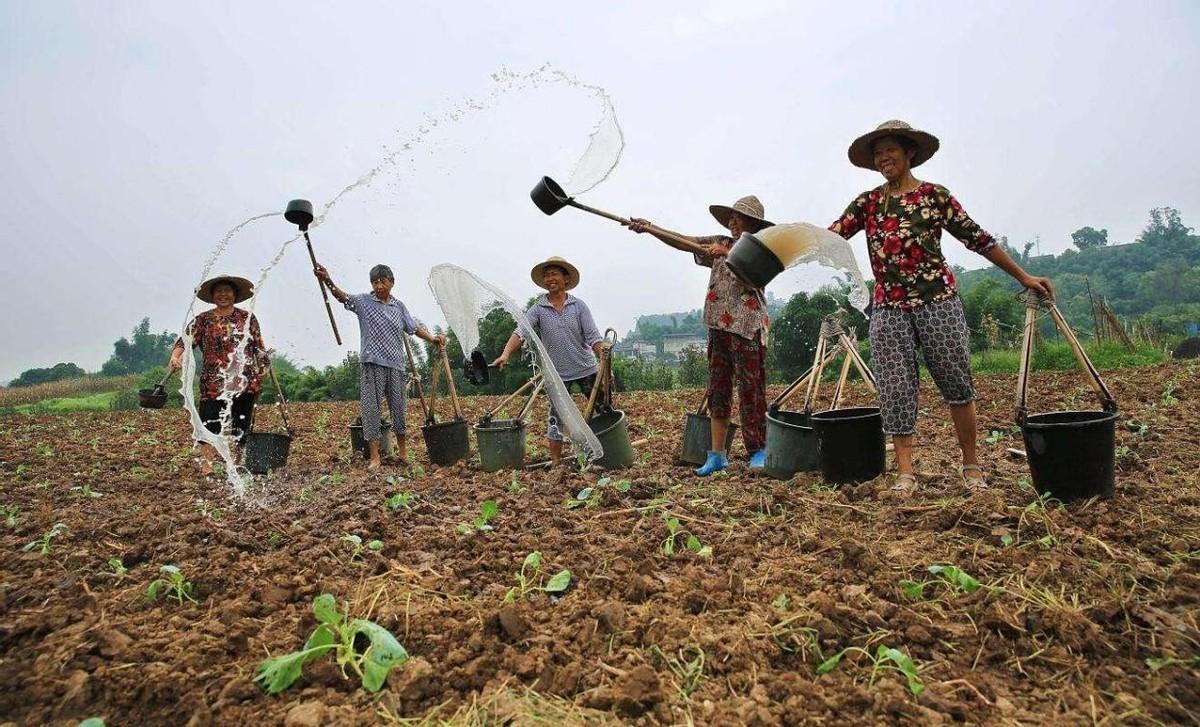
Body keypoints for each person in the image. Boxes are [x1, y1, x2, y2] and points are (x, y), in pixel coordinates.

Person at [829, 119, 1055, 492]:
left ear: (909, 153)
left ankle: (971, 465)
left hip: (938, 302)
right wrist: (787, 243)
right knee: (895, 388)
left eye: (891, 150)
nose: (884, 158)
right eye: (878, 153)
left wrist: (1023, 276)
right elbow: (833, 235)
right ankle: (905, 473)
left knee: (957, 382)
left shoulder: (934, 196)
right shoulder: (868, 203)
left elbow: (977, 238)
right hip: (888, 308)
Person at [625, 196, 773, 475]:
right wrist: (651, 228)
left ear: (752, 223)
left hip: (747, 328)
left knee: (751, 391)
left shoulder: (762, 249)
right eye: (730, 218)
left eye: (737, 218)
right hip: (718, 326)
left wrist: (726, 254)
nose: (732, 223)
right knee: (719, 389)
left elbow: (756, 275)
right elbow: (684, 240)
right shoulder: (720, 241)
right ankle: (717, 455)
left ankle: (758, 451)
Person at [315, 263, 445, 471]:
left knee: (399, 409)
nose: (379, 286)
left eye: (383, 281)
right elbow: (343, 297)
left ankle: (402, 452)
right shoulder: (364, 302)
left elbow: (413, 328)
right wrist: (328, 280)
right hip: (372, 363)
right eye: (375, 282)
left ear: (392, 282)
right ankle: (375, 457)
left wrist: (432, 339)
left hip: (395, 365)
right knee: (371, 409)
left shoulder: (398, 307)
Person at [493, 257, 604, 467]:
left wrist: (603, 357)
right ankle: (555, 462)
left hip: (586, 368)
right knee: (556, 419)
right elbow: (521, 332)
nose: (550, 278)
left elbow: (593, 337)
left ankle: (606, 454)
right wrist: (506, 354)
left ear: (566, 279)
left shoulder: (578, 306)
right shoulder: (539, 309)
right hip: (557, 374)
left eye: (554, 274)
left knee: (602, 410)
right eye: (547, 275)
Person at [169, 274, 269, 475]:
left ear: (234, 295)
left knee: (241, 423)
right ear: (213, 296)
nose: (223, 295)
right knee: (209, 423)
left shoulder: (247, 318)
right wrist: (175, 356)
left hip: (243, 381)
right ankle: (207, 465)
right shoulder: (203, 320)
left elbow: (258, 346)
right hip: (213, 383)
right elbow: (184, 341)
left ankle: (238, 461)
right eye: (219, 292)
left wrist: (264, 364)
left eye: (227, 291)